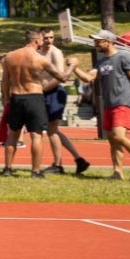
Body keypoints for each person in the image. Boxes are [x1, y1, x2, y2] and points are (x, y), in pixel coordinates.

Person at [74, 30, 130, 179]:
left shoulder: (124, 57)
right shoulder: (101, 62)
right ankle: (118, 172)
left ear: (108, 41)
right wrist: (74, 67)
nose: (95, 43)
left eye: (98, 40)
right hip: (108, 105)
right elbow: (88, 77)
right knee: (112, 139)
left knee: (119, 136)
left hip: (122, 103)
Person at [0, 29, 74, 178]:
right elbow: (63, 77)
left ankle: (7, 169)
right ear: (36, 41)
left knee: (12, 135)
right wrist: (73, 65)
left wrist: (6, 100)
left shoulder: (10, 56)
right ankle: (35, 171)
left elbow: (5, 82)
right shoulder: (40, 59)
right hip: (34, 97)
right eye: (41, 40)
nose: (42, 43)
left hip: (16, 97)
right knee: (36, 135)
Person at [37, 29, 90, 175]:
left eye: (51, 37)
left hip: (54, 92)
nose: (49, 40)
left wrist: (44, 89)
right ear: (40, 38)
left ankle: (58, 165)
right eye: (46, 38)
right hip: (44, 92)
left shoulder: (55, 53)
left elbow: (60, 76)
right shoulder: (38, 52)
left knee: (52, 130)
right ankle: (79, 159)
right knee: (52, 130)